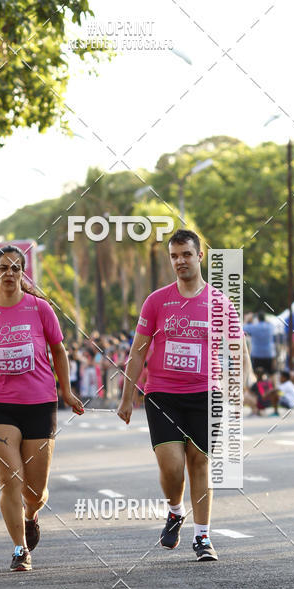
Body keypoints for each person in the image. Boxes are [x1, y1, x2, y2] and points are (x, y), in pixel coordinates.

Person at [117, 230, 249, 562]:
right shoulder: (156, 301)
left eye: (186, 254)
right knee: (173, 466)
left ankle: (203, 537)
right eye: (174, 256)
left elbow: (239, 350)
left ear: (199, 256)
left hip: (206, 393)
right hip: (162, 393)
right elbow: (137, 352)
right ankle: (176, 511)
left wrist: (240, 388)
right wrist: (126, 397)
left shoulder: (219, 302)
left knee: (200, 462)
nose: (180, 261)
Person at [0, 245, 84, 571]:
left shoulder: (40, 309)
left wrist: (67, 392)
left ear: (22, 273)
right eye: (4, 267)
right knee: (10, 478)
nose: (9, 273)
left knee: (35, 491)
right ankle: (19, 549)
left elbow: (59, 351)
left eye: (15, 268)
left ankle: (31, 513)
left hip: (40, 404)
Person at [244, 312, 277, 380]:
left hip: (257, 354)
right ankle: (272, 386)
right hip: (269, 354)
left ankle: (259, 385)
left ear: (257, 319)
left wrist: (247, 320)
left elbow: (243, 328)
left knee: (256, 375)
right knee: (272, 374)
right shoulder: (270, 326)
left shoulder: (254, 327)